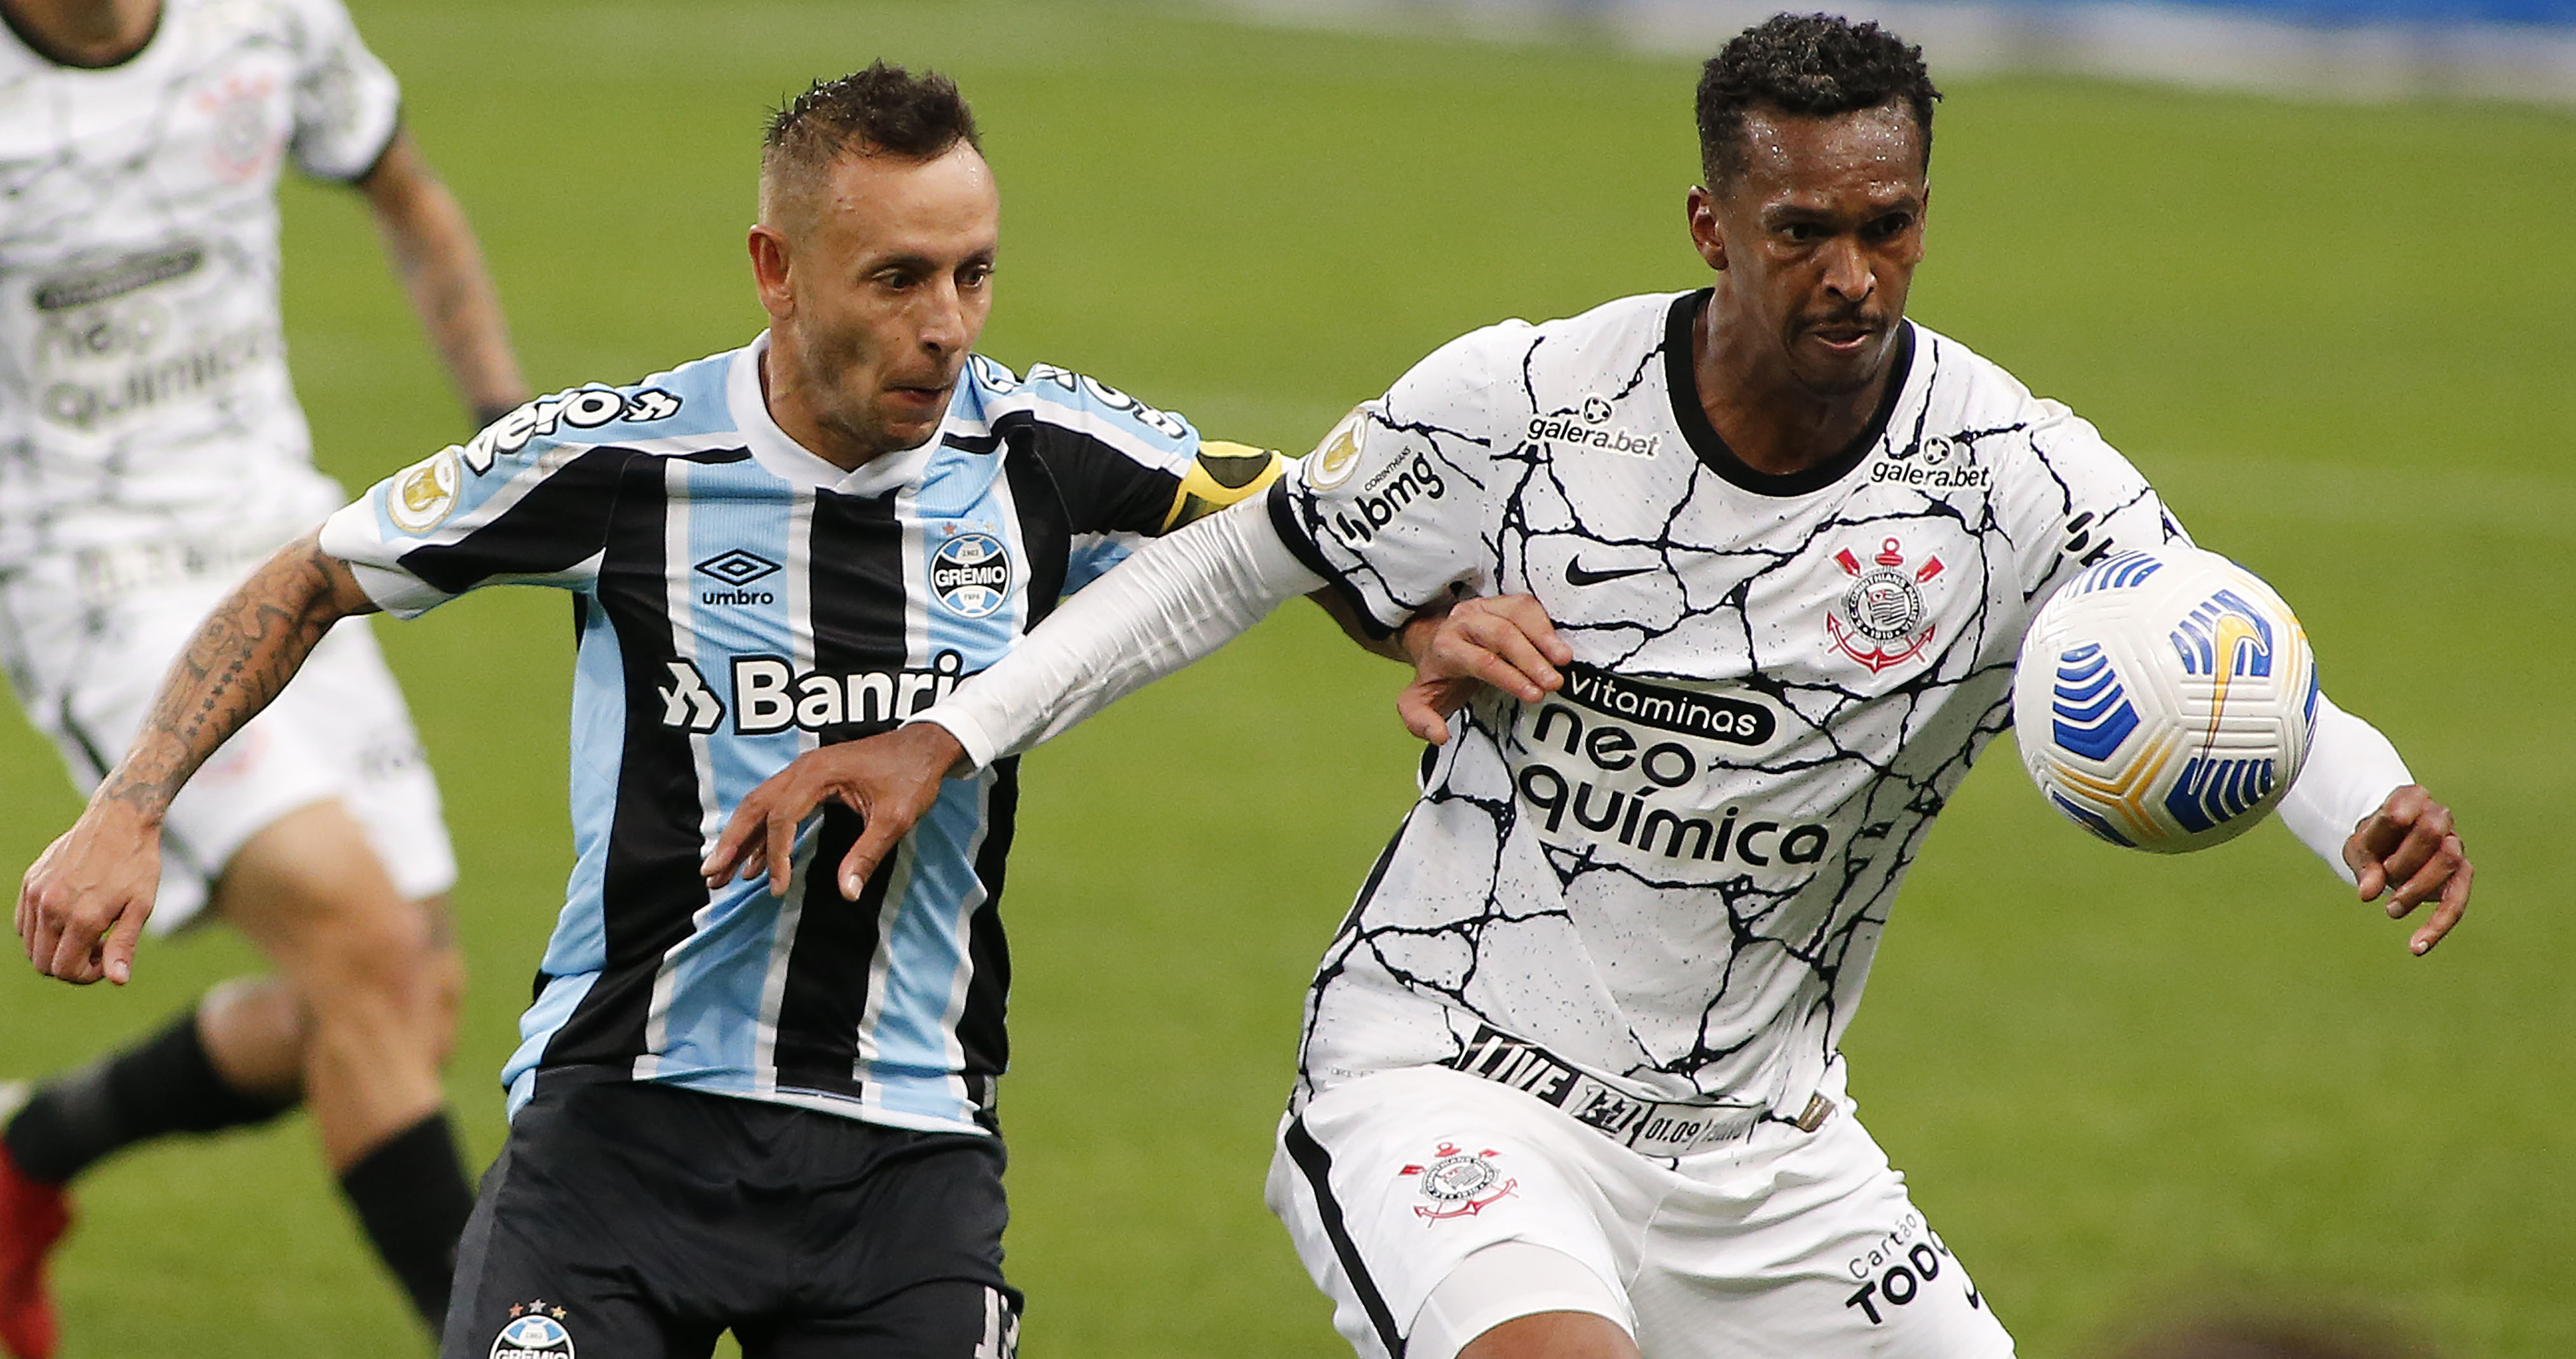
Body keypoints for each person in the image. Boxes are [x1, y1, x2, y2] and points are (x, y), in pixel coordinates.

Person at [699, 16, 2474, 1359]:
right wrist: (951, 730)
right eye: (1798, 230)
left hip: (1767, 1153)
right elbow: (1237, 561)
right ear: (1711, 221)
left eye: (1886, 225)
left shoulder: (2011, 477)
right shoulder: (1527, 401)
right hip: (1451, 1074)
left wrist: (2357, 804)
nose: (1846, 273)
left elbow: (2210, 651)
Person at [16, 61, 1303, 1358]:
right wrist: (131, 806)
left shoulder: (1045, 449)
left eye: (972, 272)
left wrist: (1425, 619)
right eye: (897, 277)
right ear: (777, 268)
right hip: (622, 1126)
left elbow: (1316, 520)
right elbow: (310, 576)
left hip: (905, 1151)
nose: (947, 326)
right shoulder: (625, 462)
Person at [0, 0, 528, 1350]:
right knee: (358, 943)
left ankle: (30, 1151)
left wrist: (501, 442)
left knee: (402, 1000)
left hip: (285, 550)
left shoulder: (269, 19)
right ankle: (492, 1333)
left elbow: (409, 194)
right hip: (89, 578)